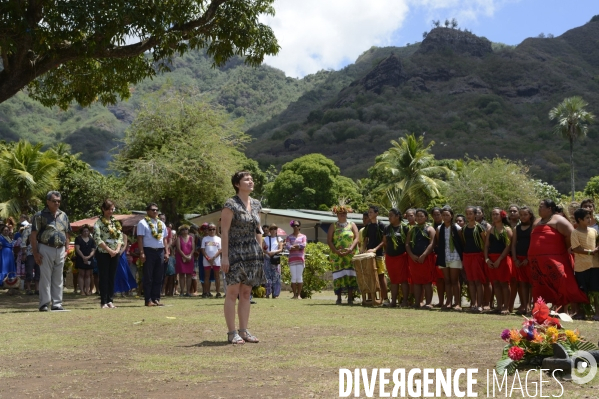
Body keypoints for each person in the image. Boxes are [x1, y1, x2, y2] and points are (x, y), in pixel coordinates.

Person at [221, 171, 264, 344]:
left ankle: (244, 331)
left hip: (252, 252)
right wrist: (225, 257)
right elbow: (224, 231)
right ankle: (232, 332)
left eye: (251, 179)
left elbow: (258, 229)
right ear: (237, 184)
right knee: (232, 292)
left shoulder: (256, 204)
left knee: (246, 293)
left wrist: (259, 250)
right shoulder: (230, 204)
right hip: (234, 251)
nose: (251, 181)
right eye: (246, 179)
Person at [529, 199, 588, 310]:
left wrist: (562, 250)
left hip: (555, 259)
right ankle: (540, 309)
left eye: (542, 206)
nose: (539, 208)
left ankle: (563, 309)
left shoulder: (559, 220)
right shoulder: (536, 222)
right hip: (537, 262)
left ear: (549, 209)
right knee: (539, 285)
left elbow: (571, 235)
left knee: (561, 282)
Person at [31, 191, 72, 312]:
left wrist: (67, 248)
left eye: (59, 201)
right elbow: (33, 235)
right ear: (48, 202)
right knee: (45, 277)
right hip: (45, 248)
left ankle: (57, 304)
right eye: (54, 201)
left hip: (60, 249)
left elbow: (67, 232)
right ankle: (44, 304)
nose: (57, 203)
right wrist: (35, 253)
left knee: (58, 278)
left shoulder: (63, 215)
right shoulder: (40, 215)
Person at [137, 203, 169, 307]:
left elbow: (164, 239)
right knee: (148, 276)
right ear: (147, 211)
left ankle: (156, 298)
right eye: (152, 210)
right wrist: (142, 252)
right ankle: (148, 299)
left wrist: (166, 252)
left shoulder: (161, 223)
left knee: (159, 276)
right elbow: (140, 238)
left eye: (156, 210)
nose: (155, 212)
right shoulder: (142, 223)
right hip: (148, 251)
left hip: (160, 251)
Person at [93, 199, 123, 309]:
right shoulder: (99, 223)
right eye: (109, 209)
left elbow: (120, 236)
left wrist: (117, 250)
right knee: (104, 276)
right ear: (103, 209)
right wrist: (109, 250)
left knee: (112, 277)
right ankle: (103, 301)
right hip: (103, 253)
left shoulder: (115, 222)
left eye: (112, 209)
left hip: (115, 253)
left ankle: (110, 300)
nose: (111, 211)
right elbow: (97, 238)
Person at [569, 208, 599, 320]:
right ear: (580, 219)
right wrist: (592, 252)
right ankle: (582, 312)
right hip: (581, 267)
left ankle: (597, 313)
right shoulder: (575, 233)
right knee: (582, 290)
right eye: (587, 217)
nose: (589, 219)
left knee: (596, 290)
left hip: (595, 265)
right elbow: (576, 248)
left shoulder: (594, 231)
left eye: (590, 217)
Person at [327, 205, 360, 305]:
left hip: (350, 254)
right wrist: (336, 251)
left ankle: (350, 298)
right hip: (337, 256)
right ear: (337, 215)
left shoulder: (352, 224)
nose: (343, 215)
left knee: (350, 275)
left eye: (344, 213)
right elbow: (329, 240)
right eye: (340, 214)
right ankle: (339, 298)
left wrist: (350, 249)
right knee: (339, 275)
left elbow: (357, 238)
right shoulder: (333, 226)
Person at [484, 208, 513, 315]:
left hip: (503, 259)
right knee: (495, 283)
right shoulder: (490, 230)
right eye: (493, 214)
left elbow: (508, 246)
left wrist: (499, 259)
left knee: (504, 283)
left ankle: (506, 307)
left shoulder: (507, 229)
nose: (494, 216)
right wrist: (487, 259)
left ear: (502, 216)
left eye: (496, 214)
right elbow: (486, 246)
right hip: (491, 259)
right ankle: (499, 306)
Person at [405, 208, 436, 309]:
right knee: (416, 281)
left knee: (427, 281)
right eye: (417, 216)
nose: (419, 218)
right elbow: (407, 244)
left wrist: (424, 255)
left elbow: (432, 243)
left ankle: (428, 303)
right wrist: (411, 255)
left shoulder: (430, 229)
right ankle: (417, 303)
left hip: (426, 258)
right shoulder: (412, 229)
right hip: (414, 259)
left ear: (426, 217)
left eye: (421, 216)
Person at [435, 206, 464, 311]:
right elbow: (439, 242)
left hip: (455, 256)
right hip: (444, 256)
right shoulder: (439, 228)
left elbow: (461, 242)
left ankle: (457, 303)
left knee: (455, 280)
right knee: (446, 280)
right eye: (443, 215)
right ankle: (448, 302)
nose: (445, 217)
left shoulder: (457, 228)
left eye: (447, 215)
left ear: (451, 216)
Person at [383, 208, 410, 307]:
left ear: (397, 216)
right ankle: (393, 302)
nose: (389, 217)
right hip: (390, 257)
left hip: (402, 257)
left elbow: (408, 242)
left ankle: (404, 301)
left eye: (391, 215)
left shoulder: (405, 228)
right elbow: (385, 242)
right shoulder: (387, 228)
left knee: (403, 280)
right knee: (393, 280)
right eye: (388, 215)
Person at [461, 206, 487, 312]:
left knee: (478, 281)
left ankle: (480, 304)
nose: (468, 216)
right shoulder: (464, 228)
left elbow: (485, 242)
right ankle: (473, 304)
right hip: (467, 255)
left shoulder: (480, 227)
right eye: (467, 214)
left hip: (477, 255)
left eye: (471, 213)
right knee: (470, 281)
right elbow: (464, 242)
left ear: (475, 215)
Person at [511, 206, 534, 315]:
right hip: (519, 260)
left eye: (525, 214)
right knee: (522, 283)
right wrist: (515, 259)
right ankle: (525, 306)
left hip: (530, 259)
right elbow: (514, 245)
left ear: (530, 215)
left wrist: (528, 258)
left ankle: (533, 306)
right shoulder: (517, 228)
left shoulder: (533, 227)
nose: (523, 217)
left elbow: (534, 244)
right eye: (521, 215)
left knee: (532, 284)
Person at [363, 205, 388, 304]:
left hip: (379, 254)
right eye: (369, 212)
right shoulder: (368, 226)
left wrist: (375, 249)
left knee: (381, 276)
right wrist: (362, 249)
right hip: (369, 255)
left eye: (371, 212)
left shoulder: (382, 225)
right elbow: (366, 240)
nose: (369, 214)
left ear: (377, 213)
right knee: (370, 276)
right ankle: (373, 299)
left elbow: (384, 241)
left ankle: (385, 298)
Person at [286, 220, 307, 299]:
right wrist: (297, 246)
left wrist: (293, 246)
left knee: (299, 277)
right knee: (293, 277)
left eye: (297, 225)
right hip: (292, 259)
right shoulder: (289, 236)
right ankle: (294, 295)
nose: (296, 227)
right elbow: (288, 247)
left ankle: (299, 295)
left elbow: (303, 245)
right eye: (294, 225)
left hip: (300, 259)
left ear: (300, 227)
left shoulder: (303, 236)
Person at [201, 223, 222, 298]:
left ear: (216, 230)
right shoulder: (205, 239)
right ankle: (206, 292)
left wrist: (213, 258)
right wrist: (208, 258)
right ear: (208, 230)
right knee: (207, 276)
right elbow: (202, 250)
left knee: (217, 276)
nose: (212, 231)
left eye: (213, 229)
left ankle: (218, 292)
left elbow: (220, 250)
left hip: (216, 260)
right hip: (207, 260)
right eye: (210, 229)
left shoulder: (219, 239)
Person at [74, 224, 96, 296]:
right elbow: (77, 249)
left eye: (87, 231)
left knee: (88, 275)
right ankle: (82, 290)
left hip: (89, 259)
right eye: (84, 231)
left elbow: (93, 250)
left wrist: (89, 256)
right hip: (81, 258)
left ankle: (87, 290)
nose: (86, 232)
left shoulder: (92, 240)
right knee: (81, 274)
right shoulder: (78, 239)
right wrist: (83, 257)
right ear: (81, 232)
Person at [262, 224, 283, 299]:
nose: (274, 230)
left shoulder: (279, 239)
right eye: (272, 229)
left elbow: (281, 249)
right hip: (267, 258)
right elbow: (262, 248)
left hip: (275, 259)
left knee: (276, 277)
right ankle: (267, 293)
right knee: (267, 276)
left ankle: (275, 294)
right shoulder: (266, 238)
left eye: (275, 229)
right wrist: (267, 252)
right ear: (270, 230)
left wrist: (274, 252)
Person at [175, 225, 195, 297]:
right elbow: (179, 249)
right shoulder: (178, 238)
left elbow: (193, 248)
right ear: (181, 231)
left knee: (189, 275)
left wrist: (189, 256)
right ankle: (182, 291)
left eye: (186, 229)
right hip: (181, 258)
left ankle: (188, 291)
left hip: (190, 257)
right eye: (183, 229)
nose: (185, 230)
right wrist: (185, 257)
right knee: (182, 275)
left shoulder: (191, 238)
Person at [21, 218, 39, 295]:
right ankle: (28, 289)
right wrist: (24, 253)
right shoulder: (28, 229)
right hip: (30, 253)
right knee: (29, 271)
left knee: (38, 271)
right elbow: (23, 242)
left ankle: (37, 289)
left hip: (39, 253)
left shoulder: (41, 229)